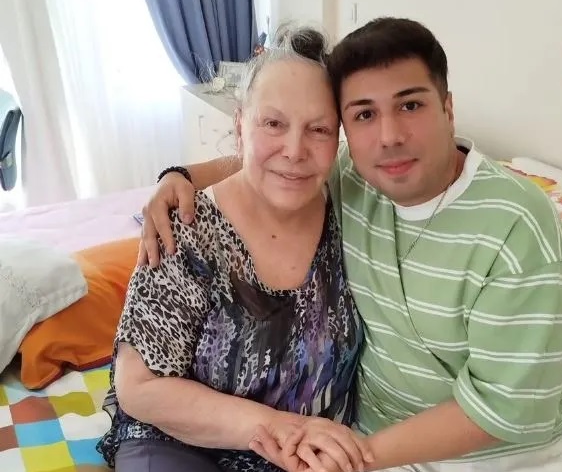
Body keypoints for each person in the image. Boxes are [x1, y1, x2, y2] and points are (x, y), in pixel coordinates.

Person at [141, 18, 562, 472]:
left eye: (410, 105)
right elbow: (275, 158)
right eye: (365, 114)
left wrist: (348, 458)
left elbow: (501, 410)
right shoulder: (357, 178)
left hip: (488, 458)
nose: (389, 137)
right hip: (365, 439)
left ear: (448, 109)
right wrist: (179, 177)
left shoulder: (520, 233)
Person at [97, 27, 369, 472]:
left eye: (318, 129)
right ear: (240, 125)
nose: (295, 150)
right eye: (273, 123)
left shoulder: (351, 211)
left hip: (309, 452)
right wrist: (281, 428)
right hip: (183, 442)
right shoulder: (187, 227)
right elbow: (139, 388)